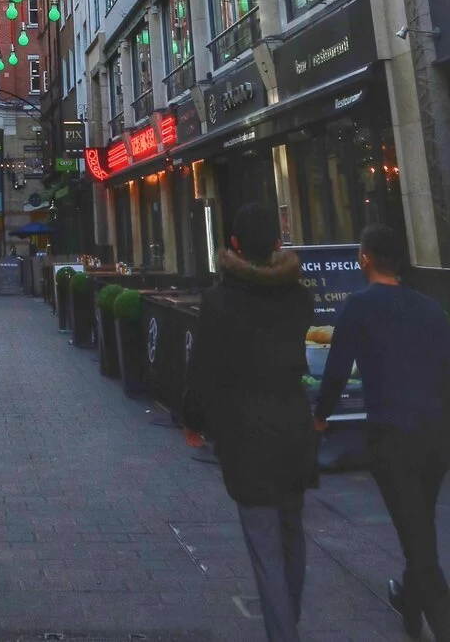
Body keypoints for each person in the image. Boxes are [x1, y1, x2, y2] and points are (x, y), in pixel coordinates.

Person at [183, 203, 316, 642]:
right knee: (292, 531)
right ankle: (288, 616)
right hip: (294, 426)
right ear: (278, 243)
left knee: (264, 544)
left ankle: (283, 632)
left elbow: (203, 365)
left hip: (245, 434)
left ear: (235, 244)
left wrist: (193, 420)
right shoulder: (300, 296)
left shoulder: (219, 301)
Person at [315, 223, 450, 642]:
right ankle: (409, 603)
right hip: (435, 436)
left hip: (392, 436)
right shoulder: (430, 308)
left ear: (365, 258)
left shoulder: (359, 305)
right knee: (419, 524)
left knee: (418, 539)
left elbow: (337, 369)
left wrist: (320, 417)